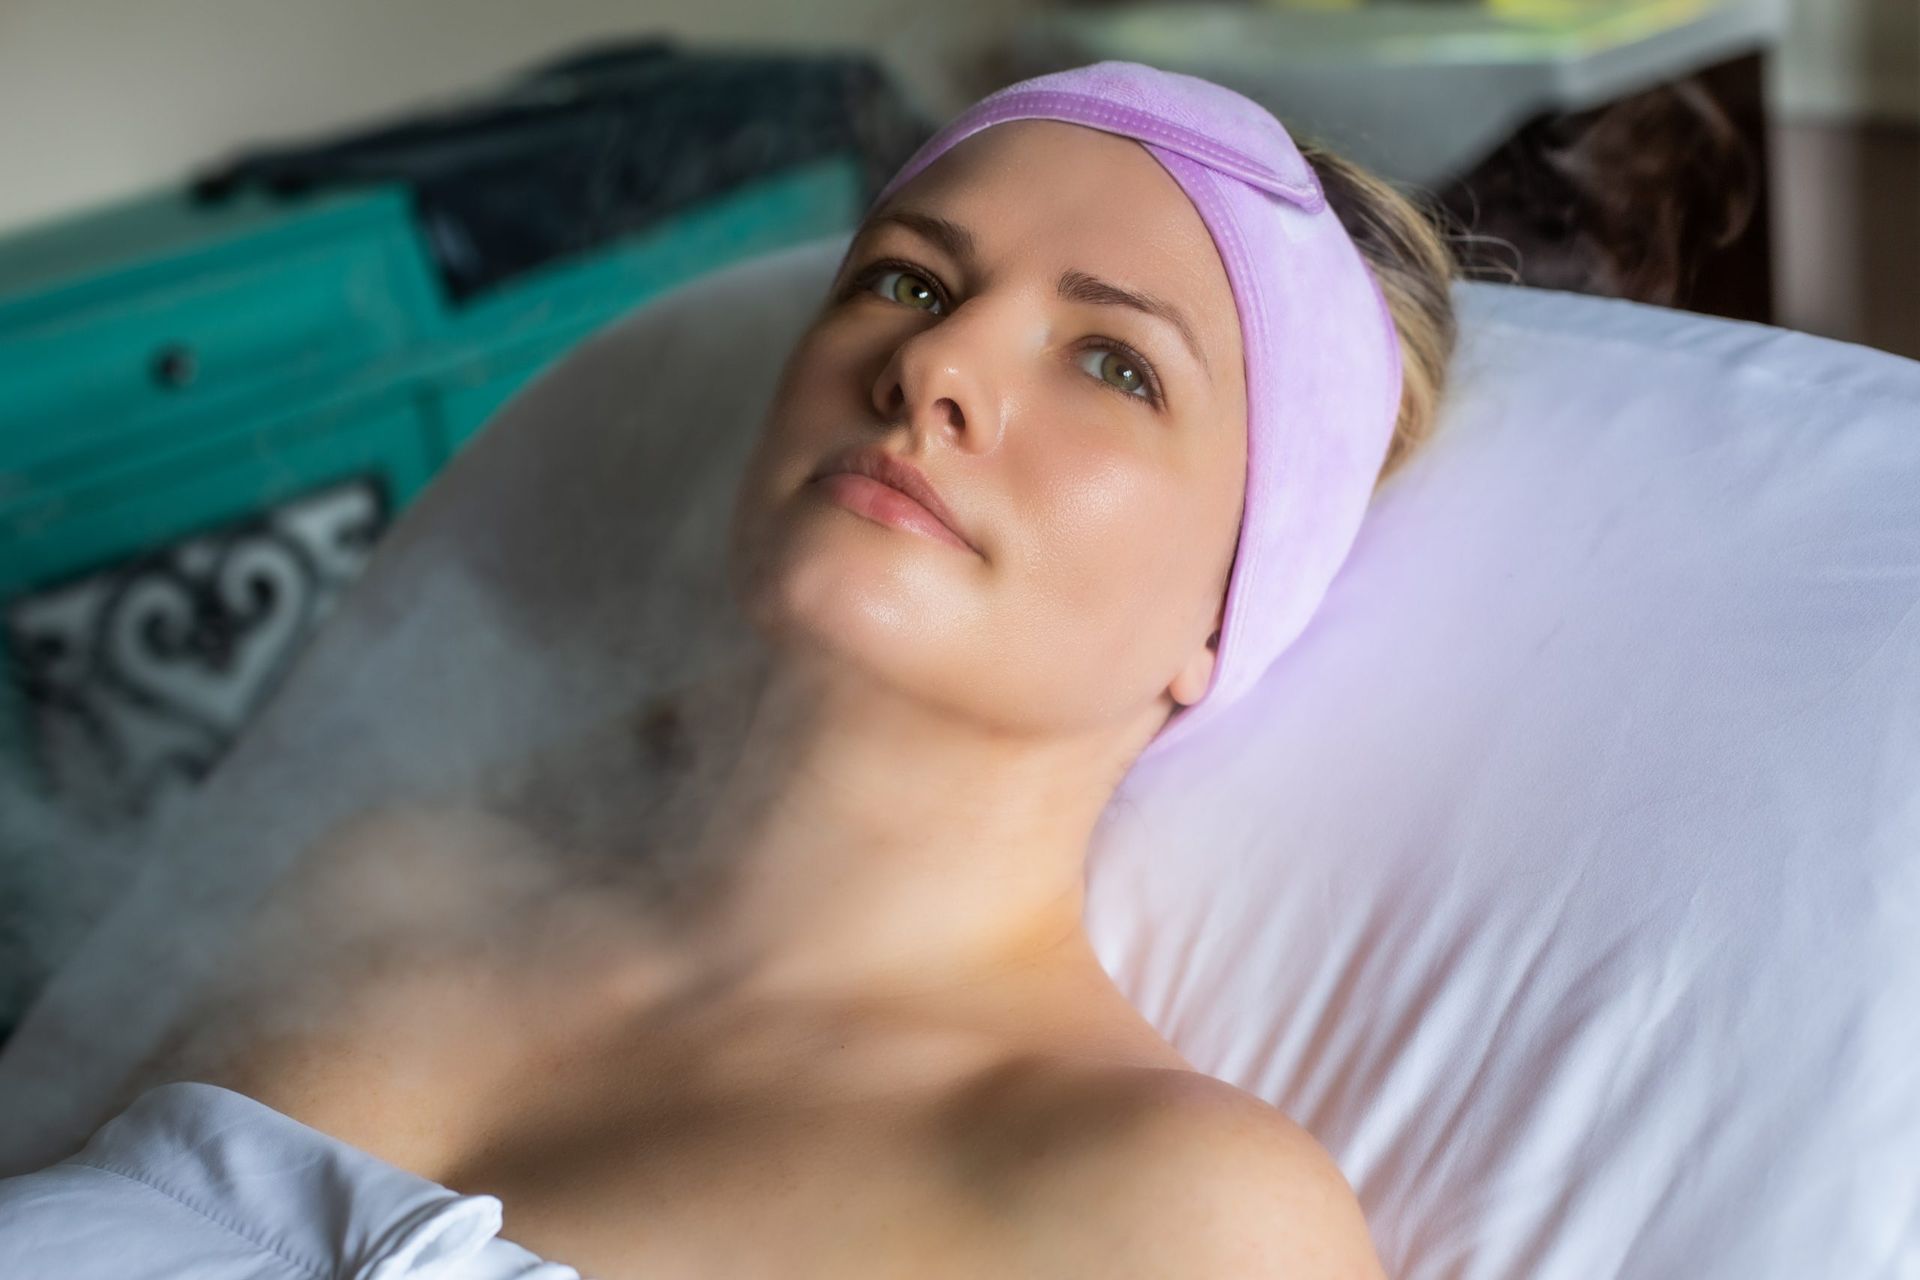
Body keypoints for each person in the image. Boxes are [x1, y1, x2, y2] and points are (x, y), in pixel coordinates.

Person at [0, 61, 1459, 1278]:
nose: (934, 368)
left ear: (1230, 606)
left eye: (1117, 365)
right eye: (905, 278)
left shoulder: (1175, 1209)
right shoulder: (396, 880)